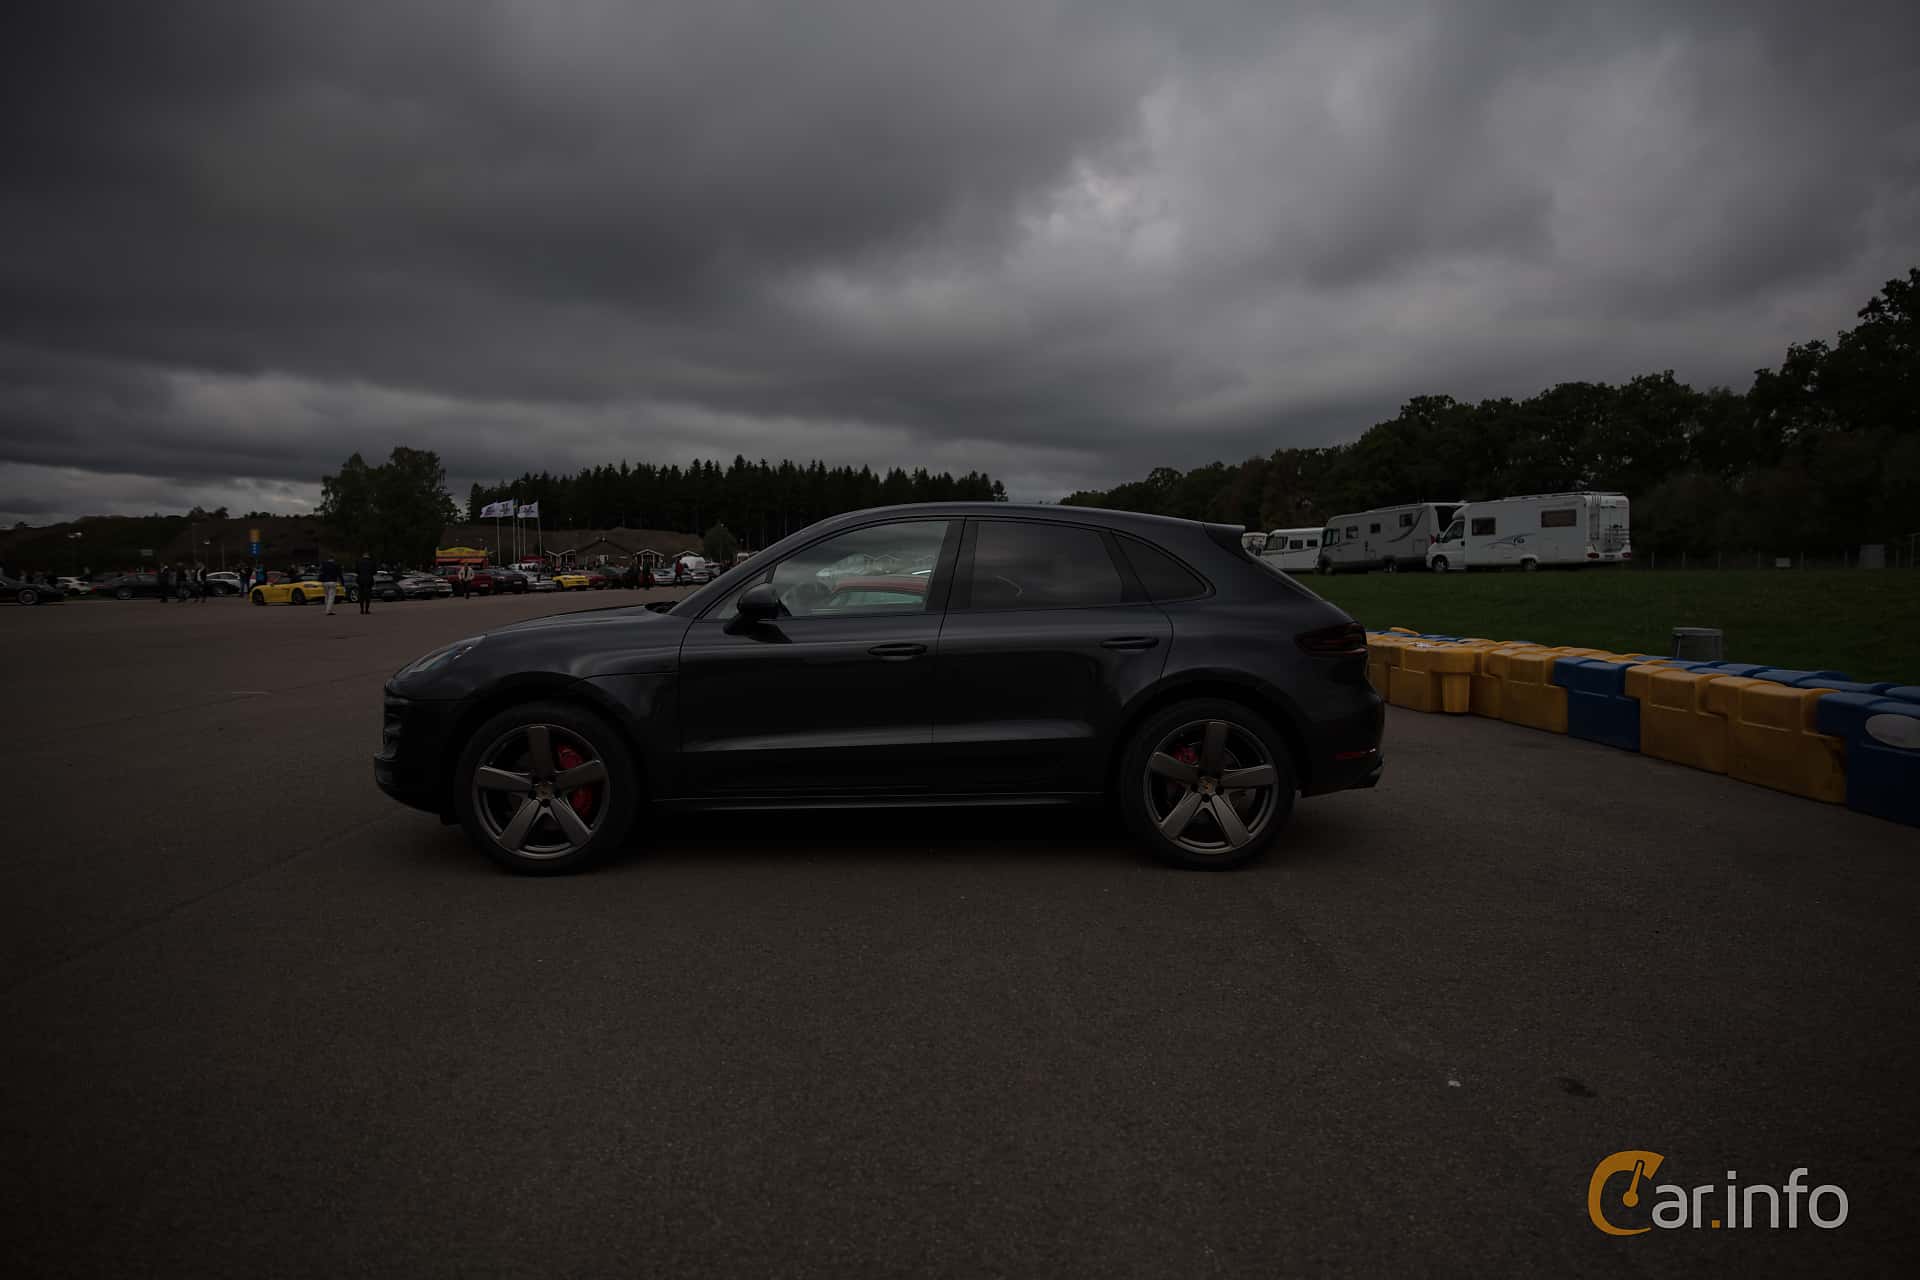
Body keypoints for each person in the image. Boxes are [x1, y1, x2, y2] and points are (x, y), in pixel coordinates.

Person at [355, 551, 377, 615]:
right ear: (368, 556)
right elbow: (374, 572)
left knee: (361, 595)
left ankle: (361, 610)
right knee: (368, 595)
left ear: (363, 555)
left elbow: (356, 571)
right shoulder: (372, 562)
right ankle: (367, 610)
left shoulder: (358, 561)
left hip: (360, 580)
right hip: (369, 579)